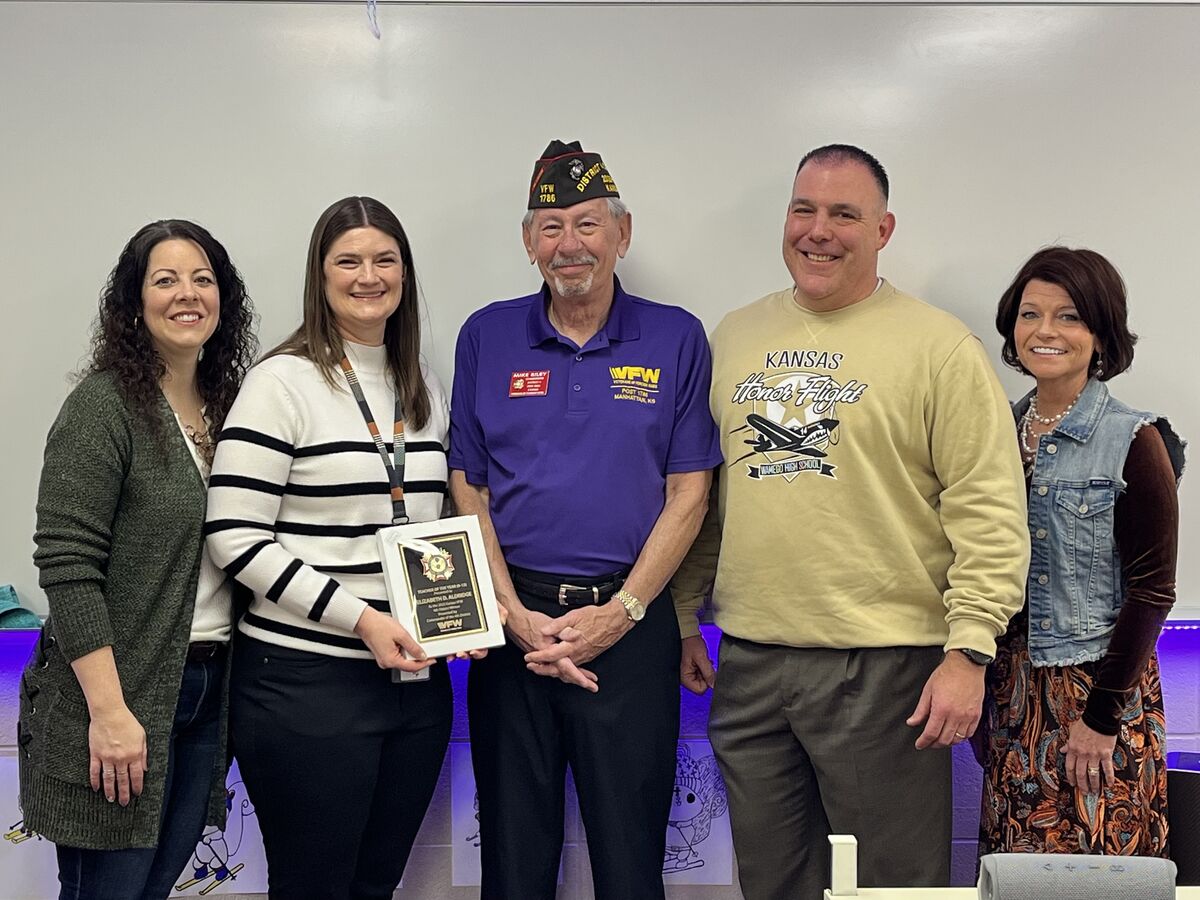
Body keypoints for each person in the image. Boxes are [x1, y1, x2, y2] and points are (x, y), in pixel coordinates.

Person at [670, 144, 1030, 899]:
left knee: (893, 887)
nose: (818, 230)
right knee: (772, 883)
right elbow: (710, 498)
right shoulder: (734, 335)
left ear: (884, 229)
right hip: (751, 663)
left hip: (887, 668)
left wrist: (969, 650)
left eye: (844, 213)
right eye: (804, 209)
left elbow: (989, 510)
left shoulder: (940, 347)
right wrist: (679, 615)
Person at [449, 139, 722, 900]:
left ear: (622, 235)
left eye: (587, 224)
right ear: (529, 242)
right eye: (550, 226)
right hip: (515, 637)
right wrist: (510, 612)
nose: (569, 244)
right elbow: (467, 485)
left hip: (633, 633)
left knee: (631, 863)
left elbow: (690, 494)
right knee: (511, 860)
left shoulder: (675, 336)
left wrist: (625, 612)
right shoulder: (487, 335)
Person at [205, 196, 465, 898]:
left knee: (376, 885)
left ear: (405, 274)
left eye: (385, 259)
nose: (368, 275)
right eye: (347, 261)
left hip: (414, 687)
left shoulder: (422, 387)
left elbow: (421, 521)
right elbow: (233, 535)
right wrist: (364, 620)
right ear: (320, 278)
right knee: (314, 887)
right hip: (305, 688)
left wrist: (457, 616)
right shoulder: (281, 382)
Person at [17, 219, 257, 899]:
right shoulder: (104, 408)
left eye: (203, 279)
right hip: (118, 694)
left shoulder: (227, 409)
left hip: (206, 692)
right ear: (132, 303)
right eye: (165, 279)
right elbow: (66, 563)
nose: (188, 294)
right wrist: (110, 711)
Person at [979, 246, 1185, 856]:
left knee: (1104, 872)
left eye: (1069, 316)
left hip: (1099, 694)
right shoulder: (991, 435)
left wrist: (1100, 720)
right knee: (1014, 872)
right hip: (1013, 692)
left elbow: (1153, 592)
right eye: (1029, 314)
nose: (1044, 331)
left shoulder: (1136, 437)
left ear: (1101, 333)